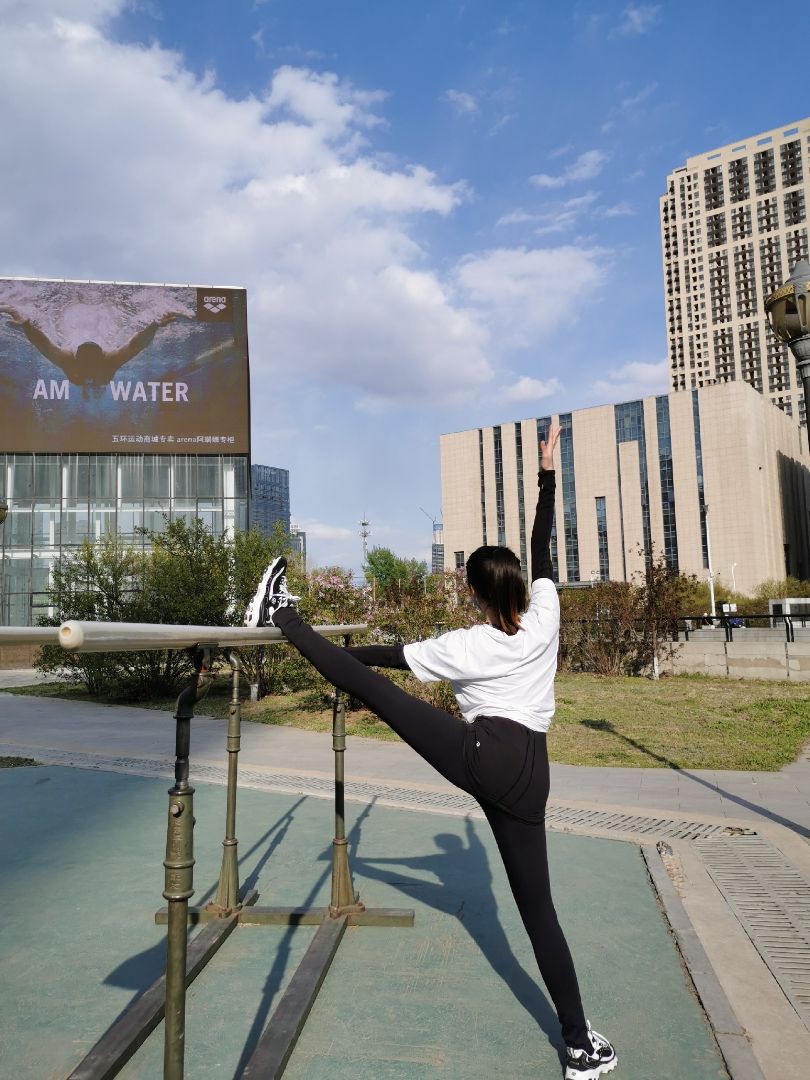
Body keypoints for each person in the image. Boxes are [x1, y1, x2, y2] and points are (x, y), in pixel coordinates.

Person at [245, 423, 617, 1080]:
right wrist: (548, 472)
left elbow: (384, 660)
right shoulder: (547, 615)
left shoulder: (467, 644)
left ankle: (281, 616)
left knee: (379, 692)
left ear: (473, 592)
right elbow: (544, 548)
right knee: (540, 915)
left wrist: (337, 659)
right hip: (534, 774)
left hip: (486, 753)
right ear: (519, 588)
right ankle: (580, 1045)